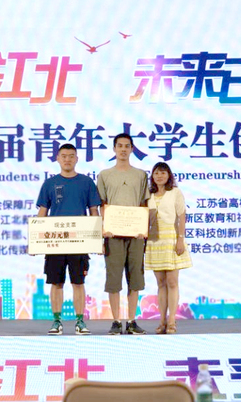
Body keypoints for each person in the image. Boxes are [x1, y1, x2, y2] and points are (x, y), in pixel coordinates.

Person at [36, 144, 101, 335]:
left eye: (71, 156)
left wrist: (98, 240)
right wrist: (35, 241)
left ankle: (80, 321)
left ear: (77, 159)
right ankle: (56, 321)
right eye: (63, 156)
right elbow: (42, 213)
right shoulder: (50, 183)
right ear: (57, 158)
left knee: (78, 283)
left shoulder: (86, 182)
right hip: (56, 242)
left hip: (80, 242)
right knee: (56, 283)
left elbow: (94, 212)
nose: (67, 159)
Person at [97, 133, 150, 335]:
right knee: (113, 279)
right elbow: (102, 204)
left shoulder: (140, 175)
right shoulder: (105, 175)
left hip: (136, 235)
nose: (123, 149)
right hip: (113, 234)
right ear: (114, 149)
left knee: (135, 278)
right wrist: (104, 229)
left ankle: (132, 320)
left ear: (132, 149)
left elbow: (144, 203)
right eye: (119, 146)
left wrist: (143, 228)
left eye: (127, 146)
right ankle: (116, 321)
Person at [145, 162, 192, 334]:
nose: (159, 176)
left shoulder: (175, 192)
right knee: (160, 283)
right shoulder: (148, 194)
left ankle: (172, 320)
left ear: (169, 175)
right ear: (152, 176)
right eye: (156, 173)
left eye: (163, 173)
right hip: (154, 241)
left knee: (172, 281)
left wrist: (180, 239)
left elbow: (182, 216)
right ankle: (162, 321)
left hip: (171, 239)